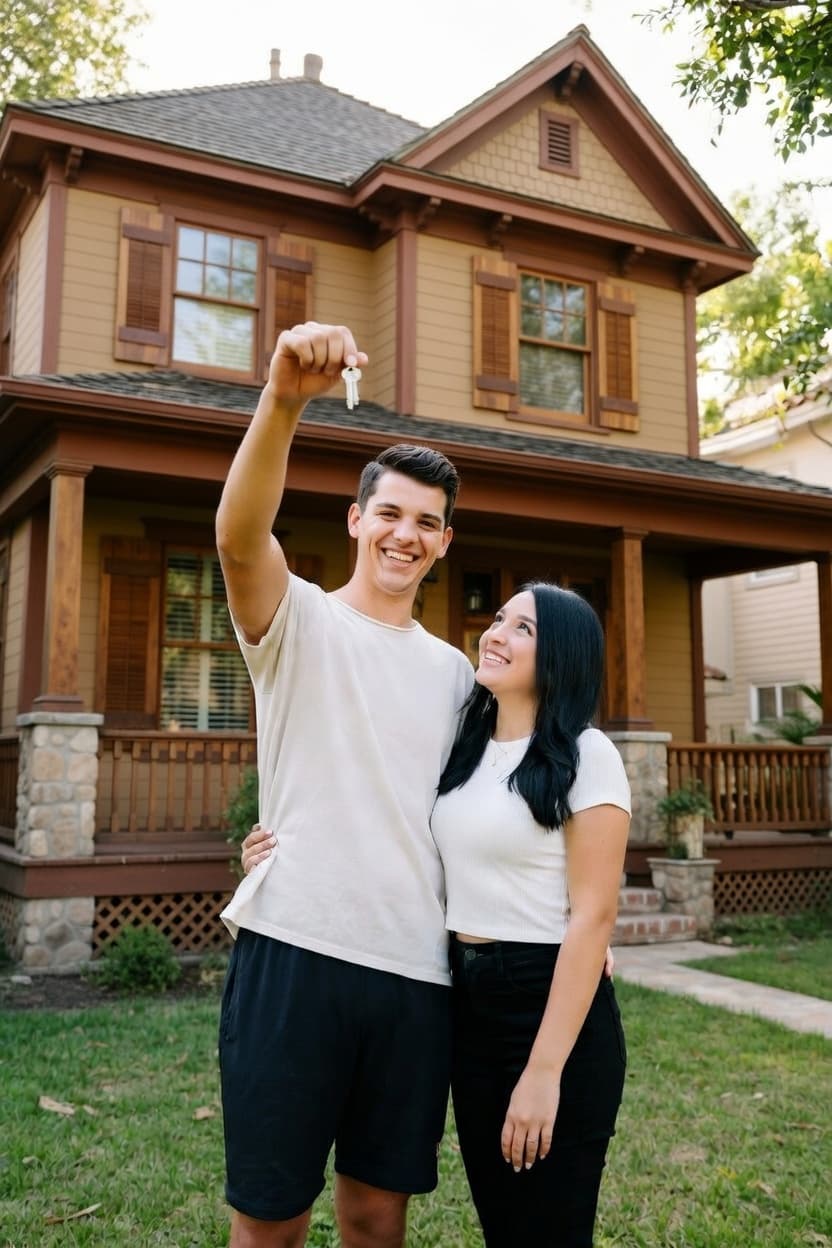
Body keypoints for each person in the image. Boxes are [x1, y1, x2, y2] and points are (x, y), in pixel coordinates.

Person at [243, 582, 631, 1247]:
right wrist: (279, 852)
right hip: (466, 1006)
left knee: (548, 1230)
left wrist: (543, 1073)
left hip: (546, 1004)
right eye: (500, 618)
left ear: (562, 655)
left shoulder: (588, 754)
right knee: (505, 1222)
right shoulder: (467, 749)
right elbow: (383, 820)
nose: (497, 633)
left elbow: (593, 916)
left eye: (524, 629)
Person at [215, 320, 473, 1248]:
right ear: (357, 519)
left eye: (427, 522)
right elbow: (241, 539)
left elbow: (485, 820)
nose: (407, 534)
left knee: (374, 1217)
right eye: (391, 514)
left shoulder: (458, 676)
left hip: (415, 974)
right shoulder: (301, 622)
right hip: (295, 951)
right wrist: (284, 400)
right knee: (271, 1220)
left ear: (445, 542)